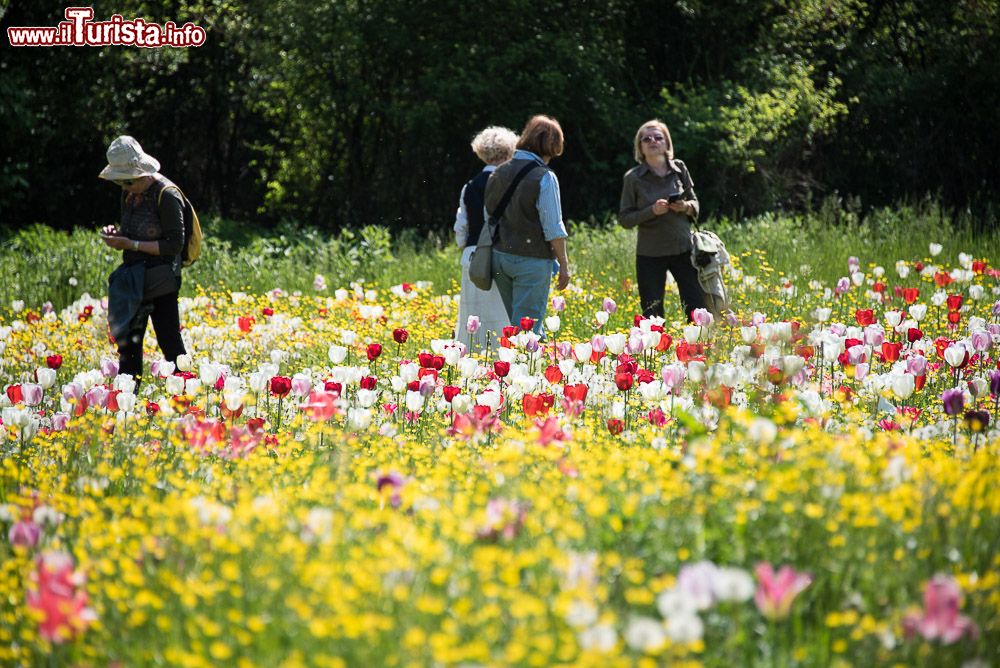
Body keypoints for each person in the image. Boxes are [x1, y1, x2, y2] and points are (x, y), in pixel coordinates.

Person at [98, 135, 188, 384]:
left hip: (161, 279)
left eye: (128, 181)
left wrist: (133, 244)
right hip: (133, 277)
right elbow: (132, 231)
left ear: (143, 173)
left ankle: (187, 401)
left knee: (169, 343)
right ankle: (127, 404)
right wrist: (117, 236)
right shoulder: (128, 194)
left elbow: (174, 245)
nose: (125, 187)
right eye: (120, 182)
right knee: (128, 345)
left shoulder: (167, 195)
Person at [484, 115, 571, 337]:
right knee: (527, 334)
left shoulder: (497, 172)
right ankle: (524, 371)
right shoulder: (544, 177)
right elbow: (552, 226)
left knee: (513, 330)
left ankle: (508, 369)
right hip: (532, 261)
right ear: (553, 145)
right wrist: (563, 263)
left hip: (499, 257)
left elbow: (489, 215)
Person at [619, 119, 707, 321]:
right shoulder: (632, 178)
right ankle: (655, 352)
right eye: (646, 138)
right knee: (652, 313)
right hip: (650, 254)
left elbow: (696, 205)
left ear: (667, 143)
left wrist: (685, 207)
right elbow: (625, 219)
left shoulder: (680, 168)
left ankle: (698, 351)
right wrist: (652, 211)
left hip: (683, 250)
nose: (653, 141)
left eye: (658, 137)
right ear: (640, 147)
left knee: (696, 309)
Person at [453, 126, 518, 350]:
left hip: (473, 257)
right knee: (501, 317)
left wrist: (470, 246)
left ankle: (471, 360)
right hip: (504, 255)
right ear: (510, 152)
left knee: (472, 316)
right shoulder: (511, 184)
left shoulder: (469, 187)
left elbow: (460, 229)